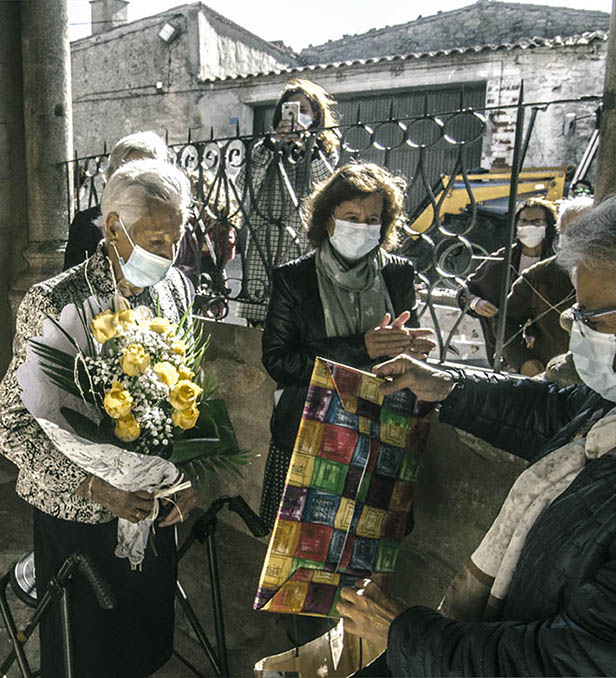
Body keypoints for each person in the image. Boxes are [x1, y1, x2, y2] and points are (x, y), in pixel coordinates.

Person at [337, 196, 616, 677]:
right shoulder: (605, 405)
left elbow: (570, 662)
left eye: (594, 319)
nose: (577, 329)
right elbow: (555, 413)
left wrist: (404, 632)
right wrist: (447, 385)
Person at [0, 159, 198, 677]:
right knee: (87, 655)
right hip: (78, 514)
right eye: (156, 239)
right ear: (112, 228)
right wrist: (94, 487)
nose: (169, 255)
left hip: (151, 509)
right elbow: (8, 426)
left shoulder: (174, 291)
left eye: (177, 238)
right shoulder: (56, 303)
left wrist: (186, 479)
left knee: (145, 640)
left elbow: (186, 399)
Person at [259, 162, 434, 530]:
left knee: (365, 544)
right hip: (308, 433)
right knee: (300, 544)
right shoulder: (294, 278)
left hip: (380, 434)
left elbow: (404, 339)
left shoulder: (397, 273)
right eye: (351, 216)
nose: (363, 226)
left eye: (373, 220)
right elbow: (279, 361)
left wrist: (411, 349)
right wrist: (360, 347)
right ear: (328, 221)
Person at [235, 78, 340, 325]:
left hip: (302, 238)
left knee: (295, 313)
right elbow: (244, 183)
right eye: (290, 109)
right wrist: (273, 145)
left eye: (303, 110)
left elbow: (327, 188)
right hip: (265, 239)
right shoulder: (265, 147)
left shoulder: (324, 149)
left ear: (316, 115)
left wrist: (307, 149)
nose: (296, 116)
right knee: (260, 313)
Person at [502, 196, 594, 376]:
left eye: (583, 230)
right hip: (554, 377)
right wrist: (523, 360)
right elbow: (505, 320)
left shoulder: (608, 274)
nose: (576, 239)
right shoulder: (539, 276)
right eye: (569, 232)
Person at [463, 197, 558, 365]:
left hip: (550, 350)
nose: (529, 227)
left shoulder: (557, 262)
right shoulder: (503, 259)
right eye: (523, 222)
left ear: (548, 226)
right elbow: (466, 290)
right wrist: (476, 303)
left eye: (536, 222)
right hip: (507, 349)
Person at [63, 131, 169, 269]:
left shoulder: (170, 223)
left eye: (150, 174)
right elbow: (71, 280)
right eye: (133, 173)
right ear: (114, 176)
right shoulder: (86, 224)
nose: (141, 183)